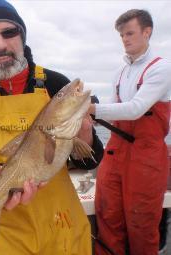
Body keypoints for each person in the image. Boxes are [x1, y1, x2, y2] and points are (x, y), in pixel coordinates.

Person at [0, 0, 104, 254]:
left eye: (9, 32)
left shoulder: (55, 82)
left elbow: (88, 163)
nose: (0, 45)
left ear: (23, 35)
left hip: (62, 227)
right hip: (4, 232)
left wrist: (86, 135)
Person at [88, 9, 171, 255]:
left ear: (148, 32)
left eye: (130, 33)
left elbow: (135, 109)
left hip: (146, 156)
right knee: (108, 215)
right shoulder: (120, 72)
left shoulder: (162, 68)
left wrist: (92, 108)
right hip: (115, 152)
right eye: (122, 35)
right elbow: (113, 109)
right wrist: (90, 116)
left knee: (141, 223)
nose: (125, 39)